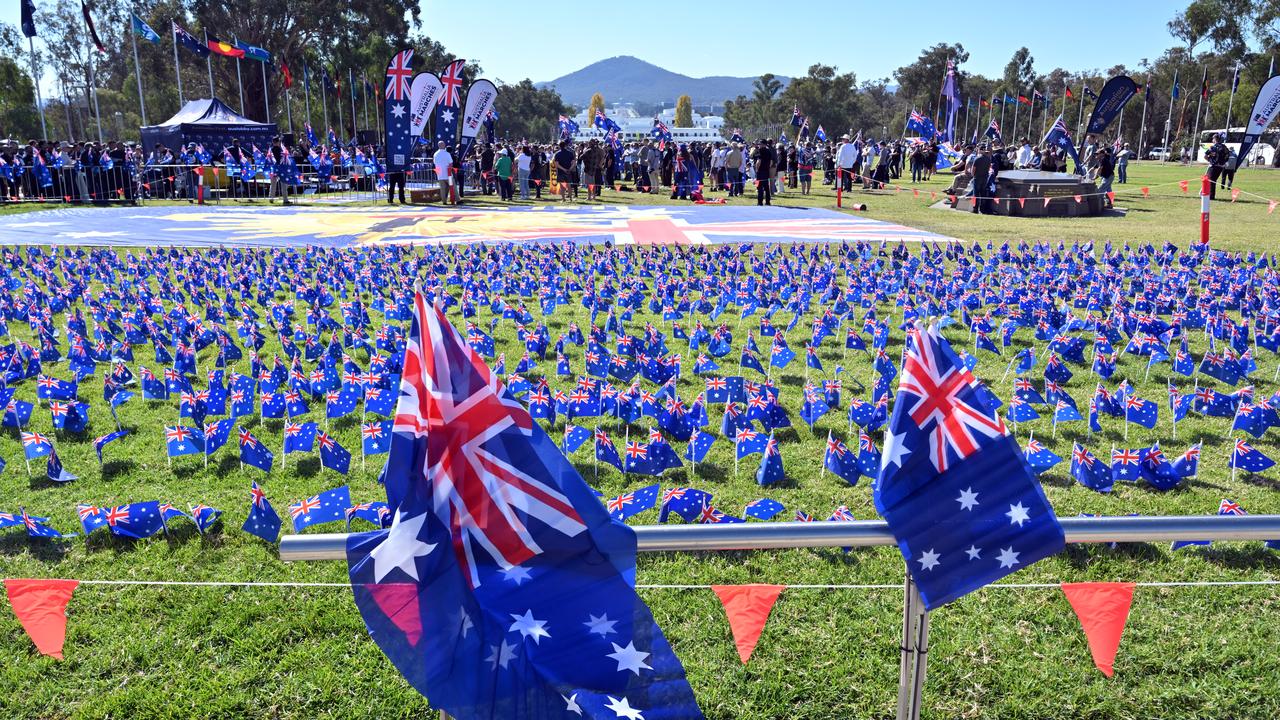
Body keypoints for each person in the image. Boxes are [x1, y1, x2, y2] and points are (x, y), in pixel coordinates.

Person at [1204, 132, 1228, 200]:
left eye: (1213, 139)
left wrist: (1210, 160)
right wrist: (1223, 163)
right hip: (1220, 167)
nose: (1212, 140)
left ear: (1215, 139)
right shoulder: (1224, 147)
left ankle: (1210, 196)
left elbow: (1205, 156)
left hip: (1213, 166)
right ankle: (1209, 195)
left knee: (1210, 180)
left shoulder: (1212, 147)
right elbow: (1227, 156)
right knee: (1213, 180)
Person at [970, 144, 993, 215]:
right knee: (983, 194)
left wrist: (973, 176)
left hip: (977, 178)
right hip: (985, 178)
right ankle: (982, 209)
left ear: (979, 150)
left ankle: (975, 209)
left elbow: (973, 170)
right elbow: (989, 168)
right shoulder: (988, 159)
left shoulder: (977, 159)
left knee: (975, 194)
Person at [752, 138, 774, 206]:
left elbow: (759, 161)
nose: (759, 145)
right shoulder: (768, 151)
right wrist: (768, 167)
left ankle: (760, 202)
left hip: (760, 171)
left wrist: (757, 169)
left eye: (760, 144)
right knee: (766, 187)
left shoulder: (759, 151)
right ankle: (767, 201)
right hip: (766, 170)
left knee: (759, 187)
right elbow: (771, 162)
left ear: (762, 144)